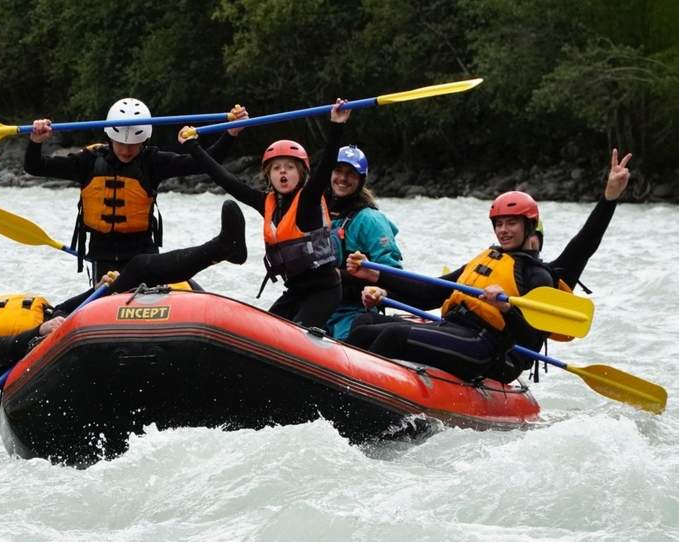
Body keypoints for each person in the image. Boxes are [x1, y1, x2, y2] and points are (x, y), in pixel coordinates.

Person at [0, 201, 247, 410]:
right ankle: (222, 249)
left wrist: (97, 292)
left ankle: (225, 264)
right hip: (52, 335)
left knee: (141, 274)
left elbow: (43, 322)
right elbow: (10, 347)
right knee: (142, 270)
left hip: (58, 318)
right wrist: (39, 331)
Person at [344, 148, 633, 383]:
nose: (504, 230)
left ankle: (354, 394)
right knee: (364, 323)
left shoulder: (540, 276)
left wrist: (609, 198)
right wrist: (380, 280)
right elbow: (431, 292)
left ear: (530, 229)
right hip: (452, 329)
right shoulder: (487, 260)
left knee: (394, 334)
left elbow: (584, 245)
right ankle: (339, 381)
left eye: (512, 224)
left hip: (487, 347)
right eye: (500, 224)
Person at [25, 97, 248, 282]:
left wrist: (231, 133)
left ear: (144, 139)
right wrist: (36, 141)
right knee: (113, 290)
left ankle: (223, 247)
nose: (127, 149)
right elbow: (35, 167)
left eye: (133, 144)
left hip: (143, 253)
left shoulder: (153, 161)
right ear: (110, 137)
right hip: (103, 259)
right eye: (121, 143)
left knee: (144, 269)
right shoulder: (87, 161)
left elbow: (204, 163)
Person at [178, 101, 352, 328]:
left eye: (289, 167)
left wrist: (336, 125)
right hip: (295, 291)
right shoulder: (267, 202)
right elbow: (225, 179)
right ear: (269, 175)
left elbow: (326, 166)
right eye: (277, 168)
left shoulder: (308, 198)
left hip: (324, 291)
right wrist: (193, 147)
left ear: (301, 173)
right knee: (262, 329)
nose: (283, 172)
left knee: (295, 337)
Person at [324, 145, 404, 340]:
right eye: (339, 171)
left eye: (351, 174)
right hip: (319, 302)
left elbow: (393, 273)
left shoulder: (370, 220)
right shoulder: (319, 210)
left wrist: (376, 286)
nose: (343, 178)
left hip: (353, 309)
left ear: (360, 180)